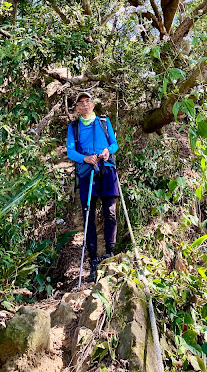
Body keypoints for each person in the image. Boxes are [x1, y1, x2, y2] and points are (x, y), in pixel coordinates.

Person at [66, 91, 119, 282]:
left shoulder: (104, 122)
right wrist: (85, 158)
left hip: (107, 169)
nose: (85, 105)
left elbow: (114, 144)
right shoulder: (74, 127)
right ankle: (93, 259)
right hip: (87, 172)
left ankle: (110, 253)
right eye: (81, 103)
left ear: (93, 104)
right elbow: (70, 151)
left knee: (110, 212)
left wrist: (107, 151)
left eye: (88, 101)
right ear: (77, 108)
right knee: (89, 215)